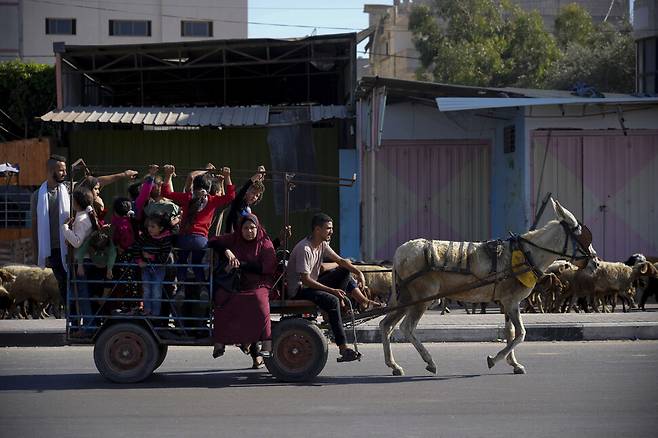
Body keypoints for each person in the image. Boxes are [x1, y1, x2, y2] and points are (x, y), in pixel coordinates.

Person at [286, 213, 364, 362]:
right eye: (328, 228)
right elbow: (306, 280)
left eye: (332, 228)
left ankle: (337, 306)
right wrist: (332, 291)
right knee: (332, 301)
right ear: (317, 230)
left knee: (344, 271)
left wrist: (358, 272)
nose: (331, 231)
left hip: (311, 285)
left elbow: (340, 261)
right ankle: (343, 348)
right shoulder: (305, 249)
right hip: (299, 290)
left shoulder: (322, 244)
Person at [208, 214, 276, 368]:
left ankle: (266, 341)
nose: (249, 231)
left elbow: (266, 268)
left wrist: (241, 264)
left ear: (257, 228)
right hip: (239, 284)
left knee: (258, 300)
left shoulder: (265, 243)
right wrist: (227, 251)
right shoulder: (235, 238)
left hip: (260, 284)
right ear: (240, 229)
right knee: (221, 298)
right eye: (246, 228)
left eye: (252, 228)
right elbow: (212, 241)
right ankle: (220, 341)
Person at [161, 164, 235, 303]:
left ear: (194, 187)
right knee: (197, 263)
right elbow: (231, 196)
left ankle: (181, 289)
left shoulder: (187, 197)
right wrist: (227, 177)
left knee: (182, 262)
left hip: (184, 239)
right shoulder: (212, 200)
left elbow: (166, 193)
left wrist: (168, 176)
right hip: (201, 241)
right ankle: (203, 288)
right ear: (208, 189)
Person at [31, 154, 69, 311]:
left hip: (69, 245)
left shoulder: (67, 189)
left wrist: (122, 175)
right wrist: (37, 252)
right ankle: (70, 315)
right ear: (51, 170)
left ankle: (74, 314)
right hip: (52, 248)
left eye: (65, 170)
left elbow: (95, 183)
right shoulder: (37, 196)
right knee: (62, 280)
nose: (64, 173)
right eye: (61, 170)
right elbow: (35, 225)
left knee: (70, 280)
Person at [62, 187, 98, 331]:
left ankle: (89, 326)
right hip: (83, 260)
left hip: (82, 262)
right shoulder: (83, 216)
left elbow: (77, 241)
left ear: (77, 202)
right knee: (80, 295)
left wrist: (65, 228)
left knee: (81, 296)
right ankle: (85, 325)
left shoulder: (82, 219)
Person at [131, 213, 174, 316]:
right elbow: (136, 247)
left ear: (161, 228)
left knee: (156, 291)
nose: (149, 229)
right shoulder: (145, 236)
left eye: (153, 226)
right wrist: (139, 260)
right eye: (149, 226)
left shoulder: (166, 239)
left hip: (159, 268)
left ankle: (155, 314)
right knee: (146, 289)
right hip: (145, 267)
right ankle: (147, 311)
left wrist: (151, 256)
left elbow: (164, 257)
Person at [223, 166, 266, 234]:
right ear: (246, 192)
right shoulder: (238, 202)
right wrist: (257, 175)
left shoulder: (247, 209)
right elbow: (246, 187)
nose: (254, 197)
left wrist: (261, 178)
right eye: (253, 193)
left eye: (257, 196)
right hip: (231, 239)